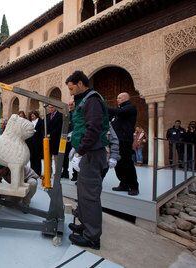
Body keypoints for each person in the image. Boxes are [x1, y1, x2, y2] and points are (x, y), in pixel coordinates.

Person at [65, 71, 109, 249]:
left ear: (81, 83)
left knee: (90, 196)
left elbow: (93, 128)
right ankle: (84, 225)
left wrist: (80, 151)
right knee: (83, 192)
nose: (70, 92)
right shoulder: (84, 100)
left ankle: (92, 237)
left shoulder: (92, 101)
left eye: (71, 88)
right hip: (87, 153)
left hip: (91, 153)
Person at [108, 92, 139, 196]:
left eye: (120, 97)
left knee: (127, 163)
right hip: (116, 141)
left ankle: (134, 186)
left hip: (125, 140)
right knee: (118, 163)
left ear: (126, 98)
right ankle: (123, 183)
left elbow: (118, 111)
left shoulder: (130, 108)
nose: (117, 99)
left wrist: (102, 106)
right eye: (117, 97)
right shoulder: (119, 111)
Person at [26, 111, 44, 177]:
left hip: (38, 142)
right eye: (31, 116)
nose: (32, 117)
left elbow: (42, 131)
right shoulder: (29, 122)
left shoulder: (40, 121)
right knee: (32, 158)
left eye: (33, 115)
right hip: (30, 142)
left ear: (36, 115)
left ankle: (38, 172)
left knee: (37, 158)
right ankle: (32, 171)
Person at [46, 104, 63, 171]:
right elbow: (44, 127)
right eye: (49, 107)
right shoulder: (47, 116)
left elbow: (59, 128)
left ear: (55, 107)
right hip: (48, 141)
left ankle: (57, 173)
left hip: (56, 140)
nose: (51, 109)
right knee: (48, 157)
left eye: (52, 107)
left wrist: (50, 135)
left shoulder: (60, 116)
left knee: (57, 158)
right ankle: (49, 172)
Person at [61, 100, 75, 179]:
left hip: (74, 137)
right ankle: (65, 171)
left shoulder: (77, 113)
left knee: (74, 156)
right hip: (65, 138)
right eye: (69, 104)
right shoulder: (67, 114)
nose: (70, 106)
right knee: (64, 156)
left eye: (71, 104)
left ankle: (75, 174)